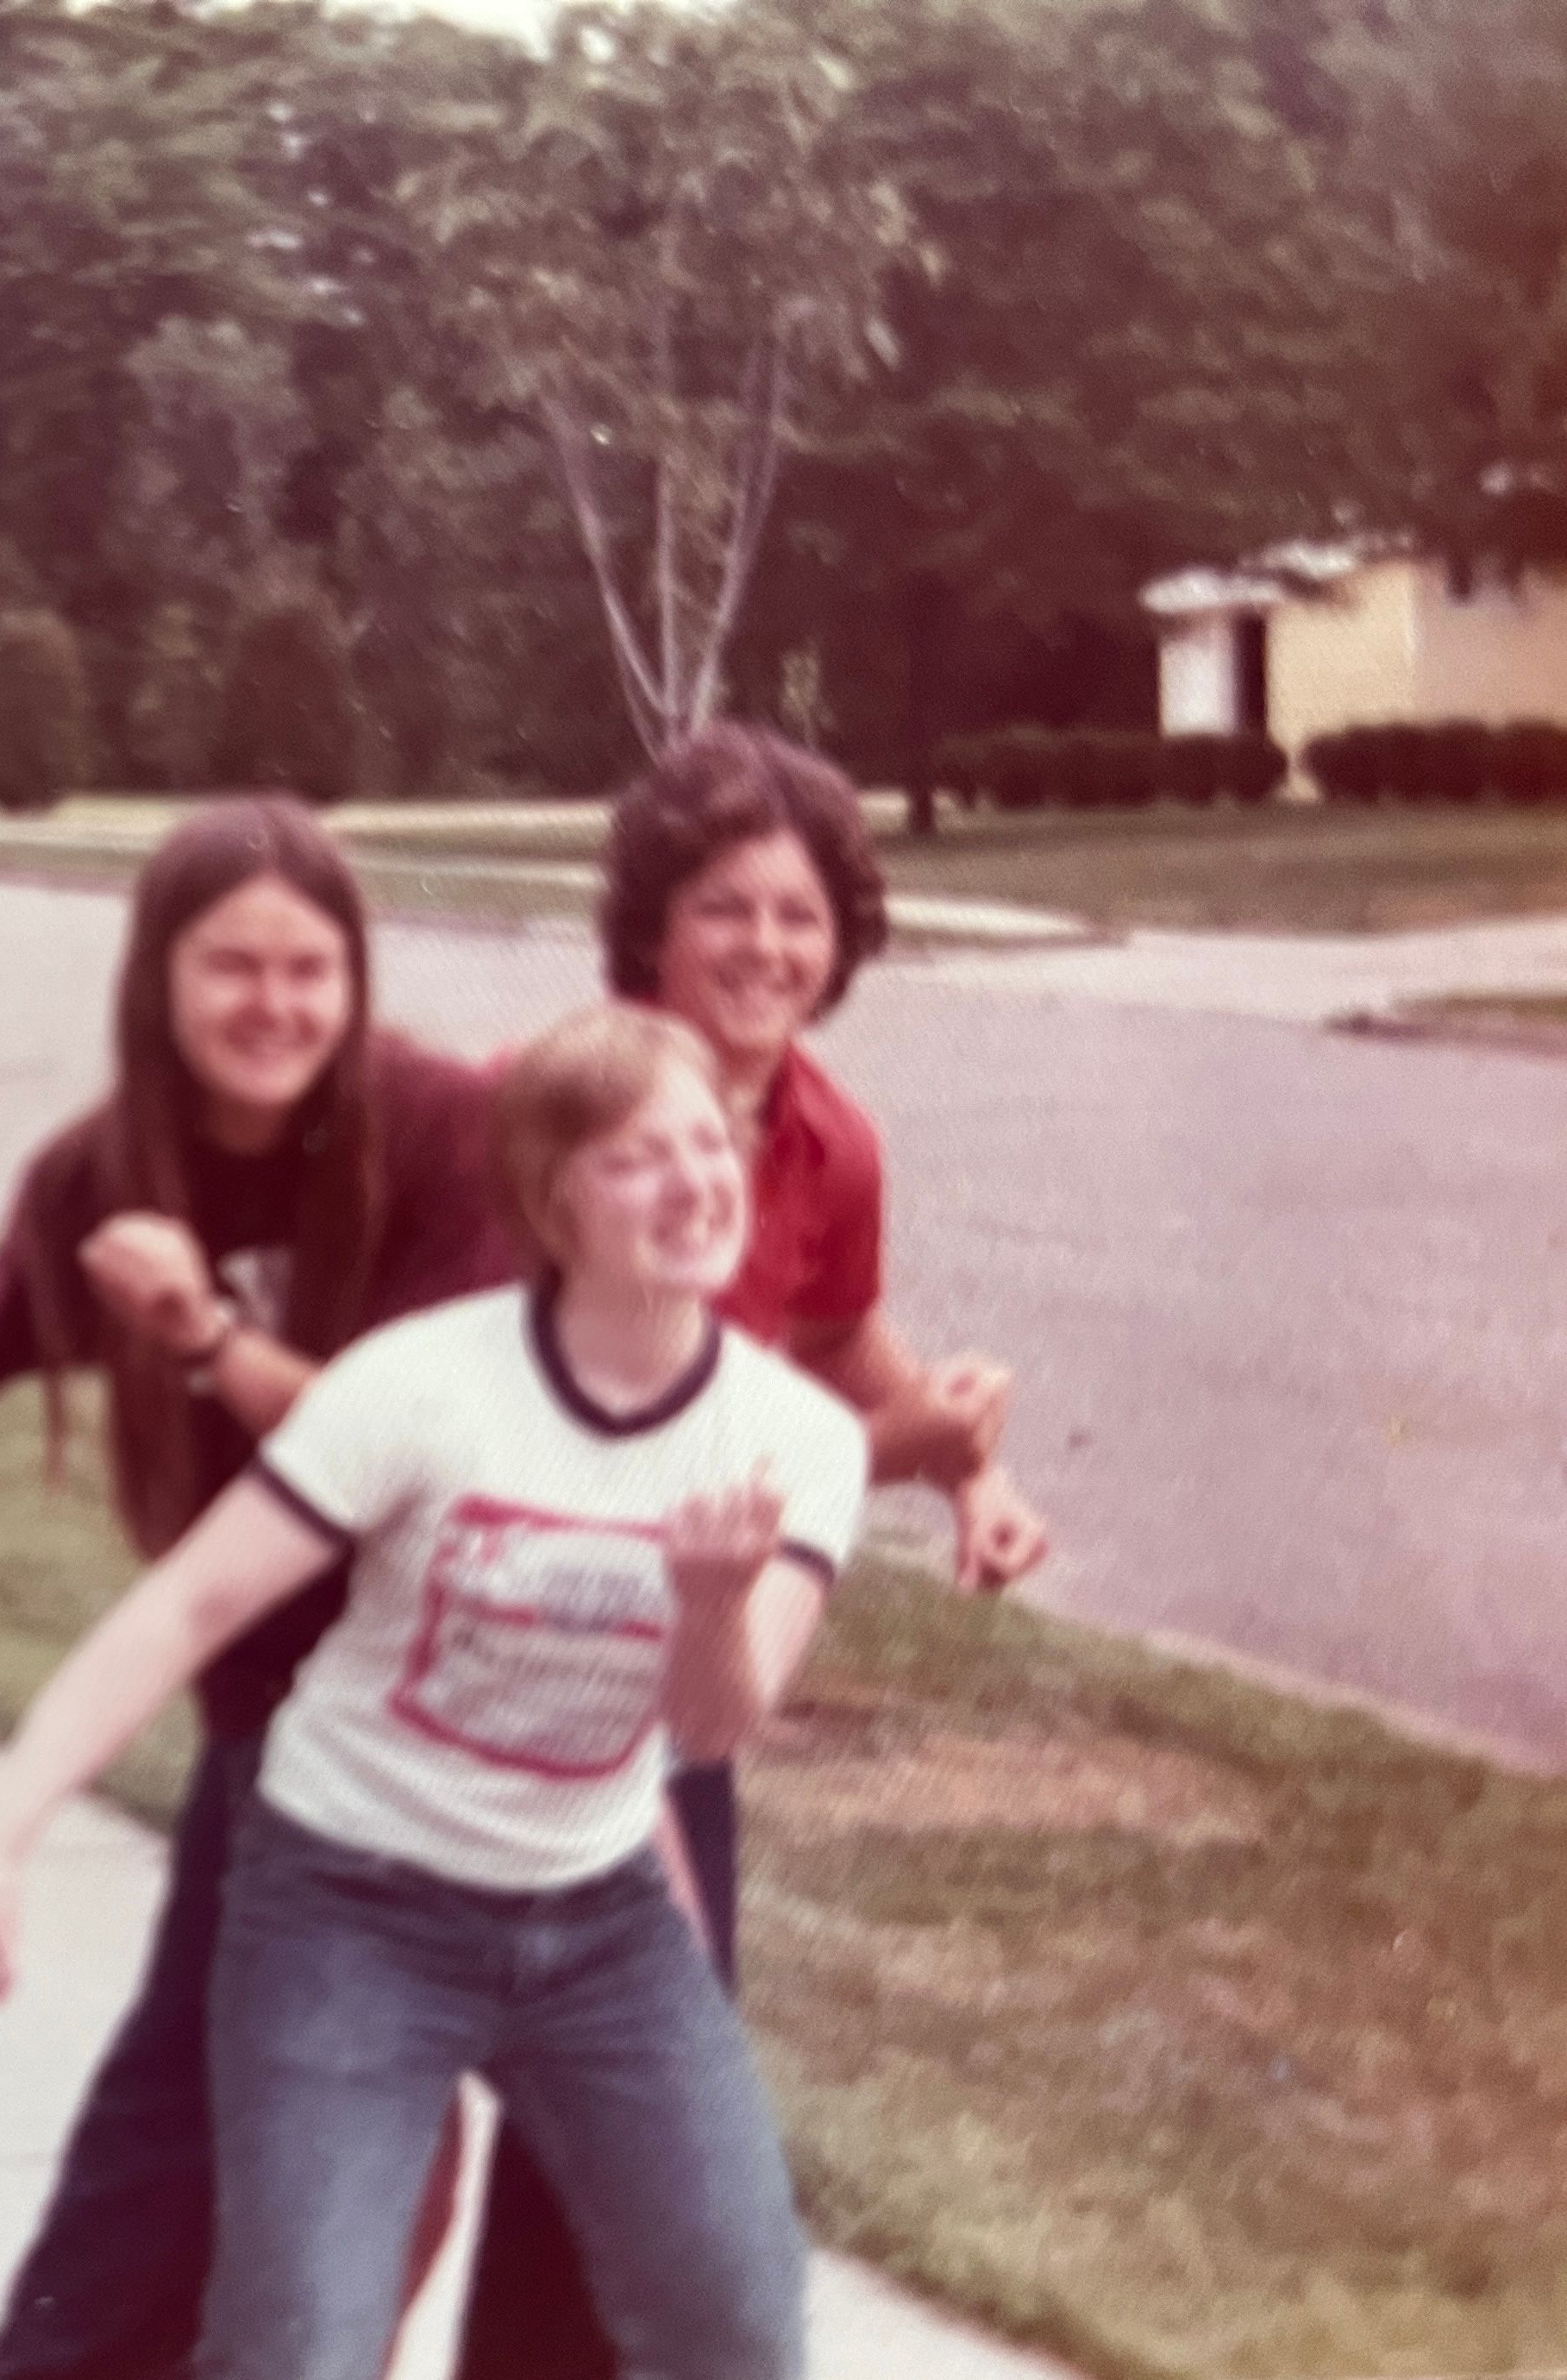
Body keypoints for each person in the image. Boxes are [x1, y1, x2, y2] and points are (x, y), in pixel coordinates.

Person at [0, 1002, 868, 2380]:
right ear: (549, 1202)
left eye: (710, 1142)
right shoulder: (420, 1386)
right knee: (303, 2345)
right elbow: (190, 1603)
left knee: (738, 2319)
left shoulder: (798, 1442)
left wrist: (709, 1602)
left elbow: (712, 1727)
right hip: (352, 1904)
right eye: (636, 1158)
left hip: (596, 1922)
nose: (695, 1180)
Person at [0, 795, 511, 2380]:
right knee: (209, 2104)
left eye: (311, 968)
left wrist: (205, 1338)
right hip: (261, 1705)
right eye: (233, 966)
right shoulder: (105, 1170)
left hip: (440, 1690)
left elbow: (411, 1456)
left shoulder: (436, 1130)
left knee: (362, 2120)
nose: (274, 1005)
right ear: (157, 974)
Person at [450, 722, 1052, 2380]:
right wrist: (887, 1456)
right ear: (649, 920)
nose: (767, 949)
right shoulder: (544, 1113)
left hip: (668, 1690)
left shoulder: (825, 1139)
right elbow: (583, 1454)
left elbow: (836, 1336)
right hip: (471, 1676)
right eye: (725, 907)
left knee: (616, 2111)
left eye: (800, 917)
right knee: (395, 2134)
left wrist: (959, 1470)